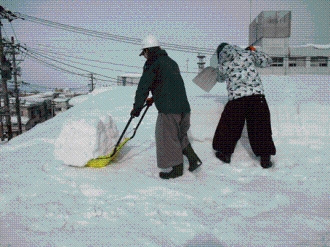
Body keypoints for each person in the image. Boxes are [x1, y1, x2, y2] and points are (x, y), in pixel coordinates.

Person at [131, 35, 202, 179]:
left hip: (169, 110)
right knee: (179, 135)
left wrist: (137, 108)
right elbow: (168, 85)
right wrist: (154, 98)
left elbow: (143, 87)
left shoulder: (152, 63)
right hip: (184, 108)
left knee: (166, 137)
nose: (144, 57)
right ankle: (193, 159)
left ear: (147, 51)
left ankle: (177, 169)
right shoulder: (171, 62)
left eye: (143, 53)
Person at [213, 43, 276, 168]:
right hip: (256, 97)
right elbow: (267, 61)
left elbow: (219, 78)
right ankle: (265, 159)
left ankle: (225, 154)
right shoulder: (247, 54)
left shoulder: (223, 62)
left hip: (237, 99)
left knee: (229, 126)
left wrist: (219, 67)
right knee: (261, 127)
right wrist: (253, 51)